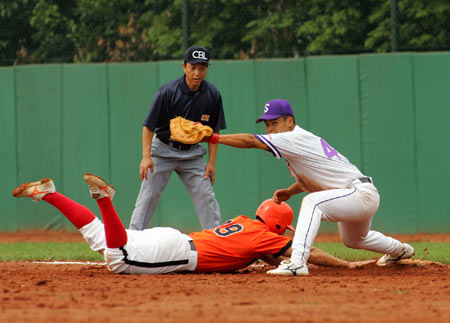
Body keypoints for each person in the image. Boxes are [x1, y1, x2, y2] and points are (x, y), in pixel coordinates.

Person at [206, 98, 415, 276]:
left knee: (312, 203)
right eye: (267, 125)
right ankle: (400, 250)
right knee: (354, 239)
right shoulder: (296, 141)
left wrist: (213, 137)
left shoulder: (294, 137)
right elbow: (312, 181)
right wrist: (290, 191)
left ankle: (297, 262)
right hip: (357, 194)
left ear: (290, 121)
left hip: (360, 194)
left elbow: (251, 141)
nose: (270, 129)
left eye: (275, 123)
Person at [11, 173, 372, 275]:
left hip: (175, 239)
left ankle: (48, 194)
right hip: (176, 251)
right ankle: (104, 199)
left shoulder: (247, 222)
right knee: (117, 256)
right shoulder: (267, 239)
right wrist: (347, 264)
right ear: (281, 228)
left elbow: (263, 254)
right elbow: (306, 253)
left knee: (99, 237)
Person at [130, 45, 226, 231]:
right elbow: (148, 126)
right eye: (193, 67)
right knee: (148, 196)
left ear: (207, 69)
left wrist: (212, 162)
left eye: (202, 68)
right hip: (163, 150)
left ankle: (218, 241)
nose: (197, 72)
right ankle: (132, 241)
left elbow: (214, 132)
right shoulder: (167, 92)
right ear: (184, 67)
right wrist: (146, 156)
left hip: (193, 154)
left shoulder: (213, 94)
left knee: (206, 197)